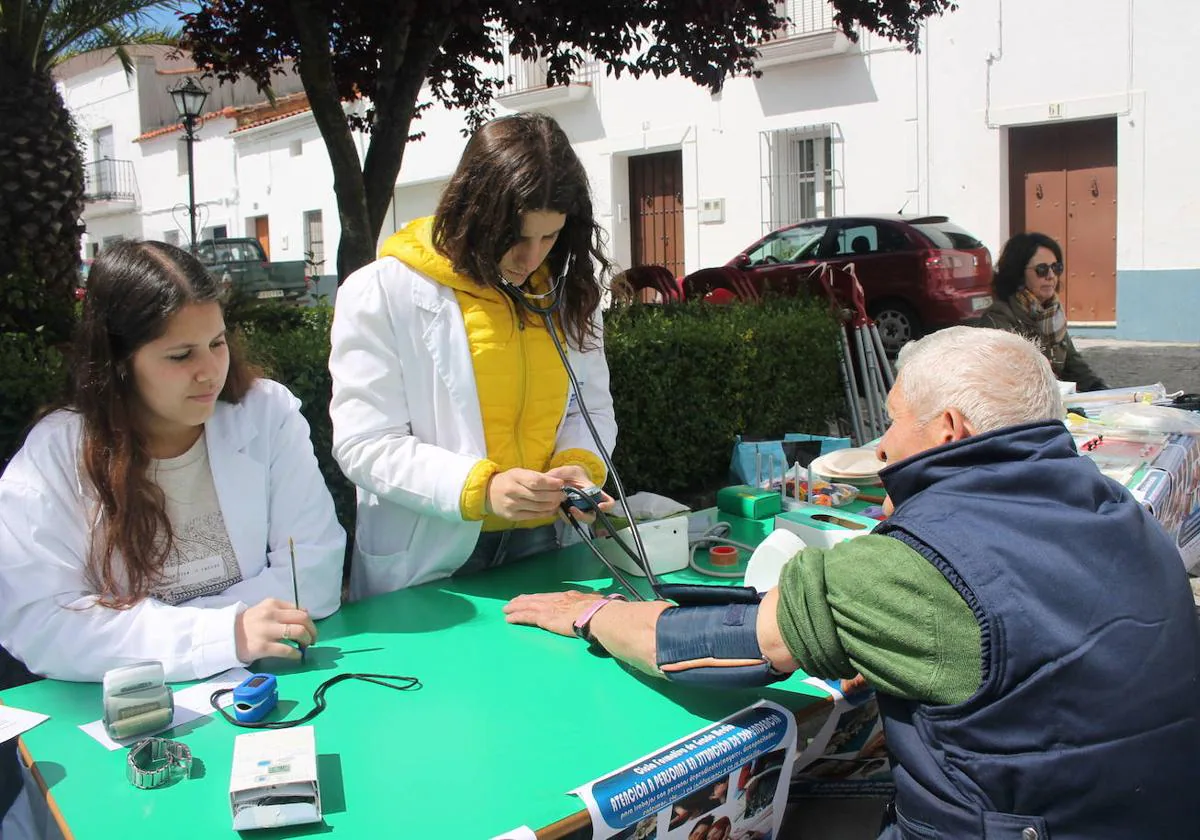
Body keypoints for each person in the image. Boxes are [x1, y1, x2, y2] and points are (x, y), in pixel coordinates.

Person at [505, 326, 1200, 839]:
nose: (885, 444)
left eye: (896, 421)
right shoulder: (1123, 511)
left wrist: (590, 614)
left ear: (950, 430)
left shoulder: (918, 564)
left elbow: (711, 645)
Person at [0, 241, 345, 684]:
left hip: (272, 684)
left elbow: (313, 576)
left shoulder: (266, 414)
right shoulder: (56, 455)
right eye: (181, 355)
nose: (209, 371)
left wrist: (154, 634)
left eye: (217, 343)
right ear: (120, 362)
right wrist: (223, 634)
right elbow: (41, 622)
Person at [329, 112, 616, 597]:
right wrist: (481, 490)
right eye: (516, 237)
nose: (531, 258)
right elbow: (364, 444)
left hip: (545, 539)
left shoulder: (568, 295)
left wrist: (578, 464)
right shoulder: (380, 290)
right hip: (434, 554)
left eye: (549, 237)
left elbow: (590, 406)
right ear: (472, 211)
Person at [971, 231, 1107, 391]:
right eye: (1041, 269)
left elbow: (1075, 366)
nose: (1051, 276)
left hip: (1054, 399)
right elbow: (1011, 380)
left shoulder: (1053, 314)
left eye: (1056, 268)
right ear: (1019, 274)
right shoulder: (998, 318)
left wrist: (1103, 390)